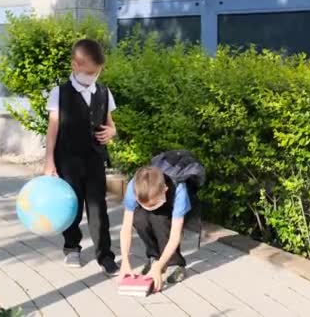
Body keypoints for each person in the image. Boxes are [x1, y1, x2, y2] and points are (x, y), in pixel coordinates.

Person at [44, 38, 119, 276]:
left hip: (95, 159)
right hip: (68, 160)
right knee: (72, 206)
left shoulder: (104, 92)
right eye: (89, 73)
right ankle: (72, 247)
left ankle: (105, 255)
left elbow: (110, 124)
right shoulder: (60, 92)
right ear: (75, 65)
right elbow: (53, 127)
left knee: (98, 208)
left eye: (96, 73)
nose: (93, 77)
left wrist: (112, 132)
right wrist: (49, 161)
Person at [119, 151, 205, 291]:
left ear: (164, 190)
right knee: (140, 218)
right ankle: (155, 257)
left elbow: (175, 235)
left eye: (151, 204)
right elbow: (126, 228)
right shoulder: (134, 187)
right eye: (143, 204)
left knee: (160, 220)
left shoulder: (179, 190)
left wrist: (159, 267)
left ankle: (175, 265)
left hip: (173, 210)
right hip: (159, 202)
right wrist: (125, 262)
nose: (148, 208)